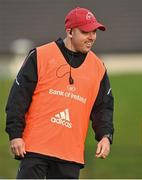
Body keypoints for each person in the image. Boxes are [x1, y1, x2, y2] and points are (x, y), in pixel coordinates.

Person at [5, 7, 114, 179]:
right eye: (86, 32)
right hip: (34, 151)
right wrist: (15, 134)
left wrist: (105, 136)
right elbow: (18, 98)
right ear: (70, 32)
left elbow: (104, 108)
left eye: (94, 32)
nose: (92, 37)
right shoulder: (40, 56)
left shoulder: (98, 68)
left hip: (70, 157)